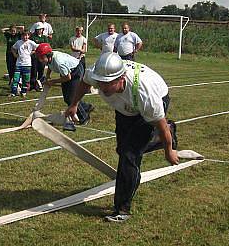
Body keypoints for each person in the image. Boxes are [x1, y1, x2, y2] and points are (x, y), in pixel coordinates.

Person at [65, 53, 178, 223]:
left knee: (129, 155)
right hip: (125, 108)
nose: (102, 88)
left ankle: (122, 209)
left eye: (108, 84)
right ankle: (151, 145)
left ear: (121, 78)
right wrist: (74, 104)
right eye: (100, 83)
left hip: (147, 102)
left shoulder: (145, 94)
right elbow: (84, 82)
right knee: (123, 150)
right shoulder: (96, 74)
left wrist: (169, 151)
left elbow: (159, 124)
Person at [35, 43, 93, 130]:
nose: (40, 60)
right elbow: (50, 66)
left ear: (48, 55)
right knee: (67, 97)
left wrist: (53, 81)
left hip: (75, 71)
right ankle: (86, 107)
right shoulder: (49, 58)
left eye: (41, 57)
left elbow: (67, 77)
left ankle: (84, 118)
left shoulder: (59, 62)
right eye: (39, 58)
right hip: (68, 72)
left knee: (71, 98)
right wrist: (47, 76)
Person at [10, 31, 38, 98]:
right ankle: (13, 92)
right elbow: (13, 48)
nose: (25, 37)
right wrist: (15, 54)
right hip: (19, 64)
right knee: (16, 79)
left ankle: (24, 92)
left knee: (26, 79)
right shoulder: (18, 42)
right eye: (24, 35)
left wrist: (32, 52)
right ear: (21, 36)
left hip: (27, 64)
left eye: (27, 35)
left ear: (29, 36)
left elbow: (37, 48)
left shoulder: (31, 42)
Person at [30, 25, 47, 91]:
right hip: (35, 56)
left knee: (41, 70)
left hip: (42, 56)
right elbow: (32, 47)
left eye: (40, 29)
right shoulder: (33, 37)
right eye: (38, 29)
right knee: (34, 70)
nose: (39, 31)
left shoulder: (44, 37)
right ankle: (32, 85)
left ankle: (40, 84)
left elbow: (46, 45)